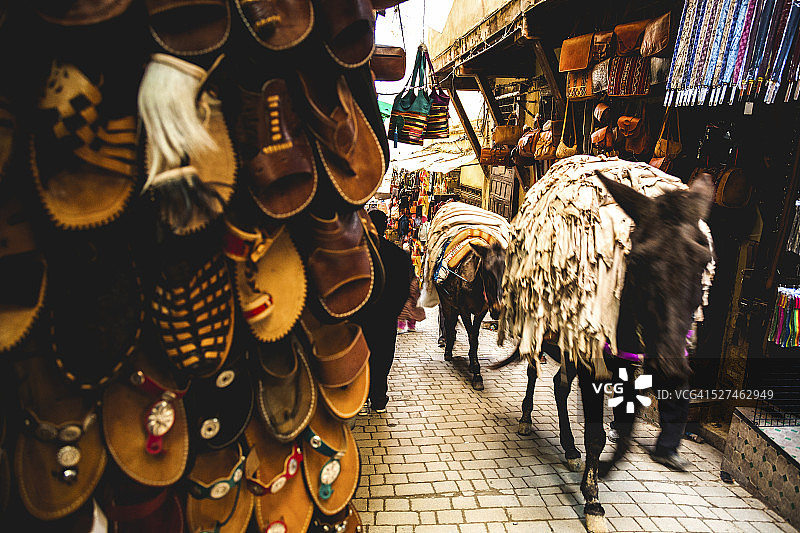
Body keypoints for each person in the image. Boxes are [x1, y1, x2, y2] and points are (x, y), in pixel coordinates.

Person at [353, 210, 411, 413]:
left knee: (361, 357)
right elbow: (404, 289)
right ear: (385, 227)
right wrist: (393, 312)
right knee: (383, 357)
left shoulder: (357, 253)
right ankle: (378, 398)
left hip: (361, 317)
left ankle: (361, 396)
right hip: (386, 319)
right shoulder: (398, 255)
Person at [397, 263, 425, 333]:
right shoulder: (414, 274)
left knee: (404, 310)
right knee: (411, 310)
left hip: (410, 293)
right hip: (412, 293)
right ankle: (410, 326)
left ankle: (401, 326)